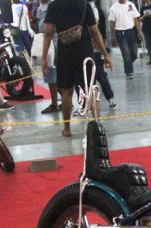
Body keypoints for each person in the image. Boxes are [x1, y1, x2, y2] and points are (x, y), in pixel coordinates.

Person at [41, 0, 113, 137]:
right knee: (91, 89)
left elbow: (48, 33)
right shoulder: (84, 4)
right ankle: (96, 125)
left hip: (65, 53)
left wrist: (44, 57)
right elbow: (95, 31)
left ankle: (67, 128)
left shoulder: (54, 6)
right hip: (85, 52)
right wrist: (105, 54)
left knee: (67, 92)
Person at [88, 0, 116, 108]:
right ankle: (85, 104)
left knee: (100, 74)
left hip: (95, 48)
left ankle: (110, 98)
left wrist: (104, 52)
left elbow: (98, 30)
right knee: (83, 78)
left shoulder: (95, 10)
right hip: (82, 48)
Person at [35, 0, 59, 113]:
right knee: (49, 75)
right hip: (45, 43)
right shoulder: (39, 9)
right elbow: (40, 27)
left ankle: (61, 101)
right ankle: (55, 103)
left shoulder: (54, 5)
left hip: (55, 43)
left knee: (57, 74)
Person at [108, 0, 141, 79]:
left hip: (131, 32)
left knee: (134, 54)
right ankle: (129, 72)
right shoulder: (113, 8)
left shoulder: (131, 5)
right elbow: (112, 23)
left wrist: (139, 32)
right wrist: (112, 36)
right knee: (126, 54)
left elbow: (136, 19)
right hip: (120, 33)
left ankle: (127, 63)